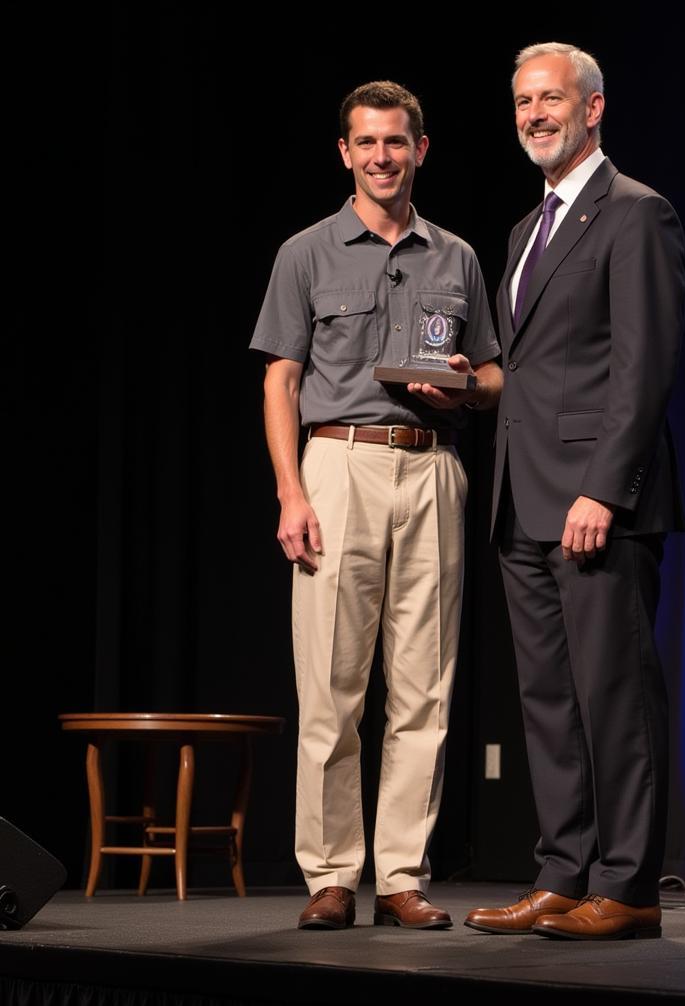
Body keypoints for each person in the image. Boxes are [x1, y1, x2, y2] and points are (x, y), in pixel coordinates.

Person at [251, 81, 502, 931]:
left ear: (420, 150)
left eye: (398, 143)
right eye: (368, 144)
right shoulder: (307, 252)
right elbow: (281, 377)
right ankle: (329, 876)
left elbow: (497, 372)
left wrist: (466, 386)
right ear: (346, 153)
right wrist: (290, 490)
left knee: (424, 688)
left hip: (431, 470)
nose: (383, 158)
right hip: (338, 466)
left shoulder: (455, 256)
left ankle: (399, 875)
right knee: (331, 685)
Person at [465, 43, 685, 940]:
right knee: (548, 703)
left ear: (593, 108)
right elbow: (538, 369)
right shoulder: (525, 232)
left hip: (596, 504)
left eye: (550, 97)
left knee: (614, 699)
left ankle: (629, 888)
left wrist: (606, 489)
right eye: (522, 100)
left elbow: (645, 364)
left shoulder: (635, 213)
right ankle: (563, 871)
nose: (534, 114)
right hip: (524, 499)